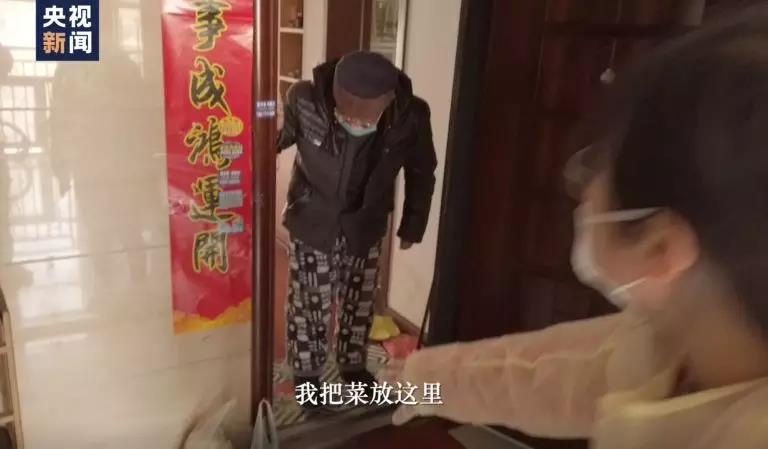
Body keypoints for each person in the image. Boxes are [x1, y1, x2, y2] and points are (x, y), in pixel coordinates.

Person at [392, 8, 768, 449]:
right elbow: (552, 375)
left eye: (599, 164)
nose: (584, 189)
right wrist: (422, 380)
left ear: (661, 248)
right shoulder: (678, 338)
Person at [277, 51, 437, 406]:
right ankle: (307, 378)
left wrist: (412, 225)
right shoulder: (305, 100)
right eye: (345, 117)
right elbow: (274, 137)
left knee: (359, 302)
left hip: (365, 223)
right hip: (314, 218)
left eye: (364, 121)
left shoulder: (411, 117)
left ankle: (352, 367)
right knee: (309, 303)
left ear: (388, 104)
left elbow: (422, 172)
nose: (353, 124)